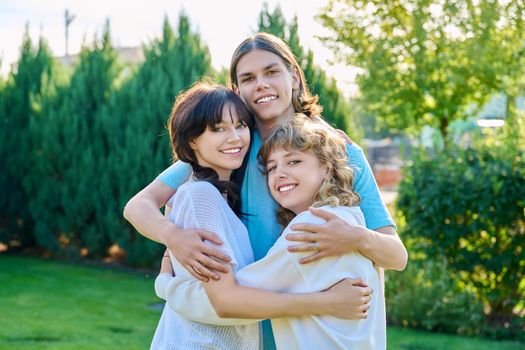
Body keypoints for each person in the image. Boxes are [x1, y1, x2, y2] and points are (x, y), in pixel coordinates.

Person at [124, 32, 407, 349]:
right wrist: (174, 238)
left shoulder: (337, 151)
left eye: (272, 72)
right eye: (248, 78)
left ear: (294, 76)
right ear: (237, 90)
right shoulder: (233, 148)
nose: (260, 84)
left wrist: (355, 237)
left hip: (309, 331)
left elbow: (396, 256)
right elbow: (139, 206)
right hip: (242, 325)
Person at [150, 81, 373, 350]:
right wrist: (326, 302)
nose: (234, 137)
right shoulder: (200, 197)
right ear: (192, 140)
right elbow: (227, 302)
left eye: (241, 125)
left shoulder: (220, 201)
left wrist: (167, 284)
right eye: (219, 128)